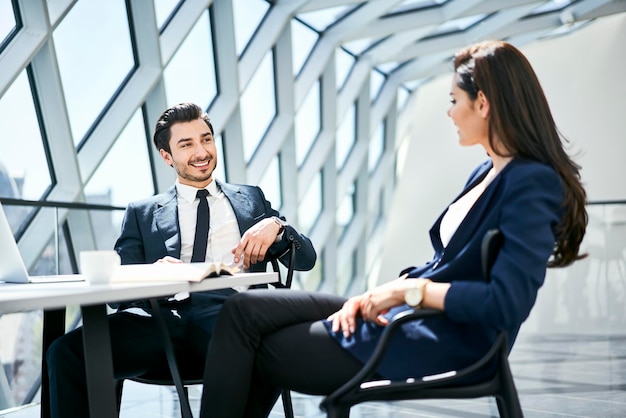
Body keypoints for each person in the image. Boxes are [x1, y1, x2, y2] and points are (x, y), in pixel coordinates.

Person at [198, 40, 588, 418]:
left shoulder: (532, 182)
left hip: (443, 339)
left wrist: (405, 291)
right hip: (408, 314)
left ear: (482, 103)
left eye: (454, 101)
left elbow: (505, 303)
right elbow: (446, 264)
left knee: (260, 349)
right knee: (243, 309)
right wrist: (386, 293)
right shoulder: (486, 171)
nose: (449, 113)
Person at [45, 102, 317, 417]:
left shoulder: (251, 199)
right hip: (159, 322)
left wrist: (277, 226)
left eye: (206, 139)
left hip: (231, 319)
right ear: (167, 156)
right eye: (186, 144)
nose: (201, 151)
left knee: (270, 348)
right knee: (66, 352)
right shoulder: (142, 212)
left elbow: (306, 259)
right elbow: (118, 293)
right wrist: (151, 275)